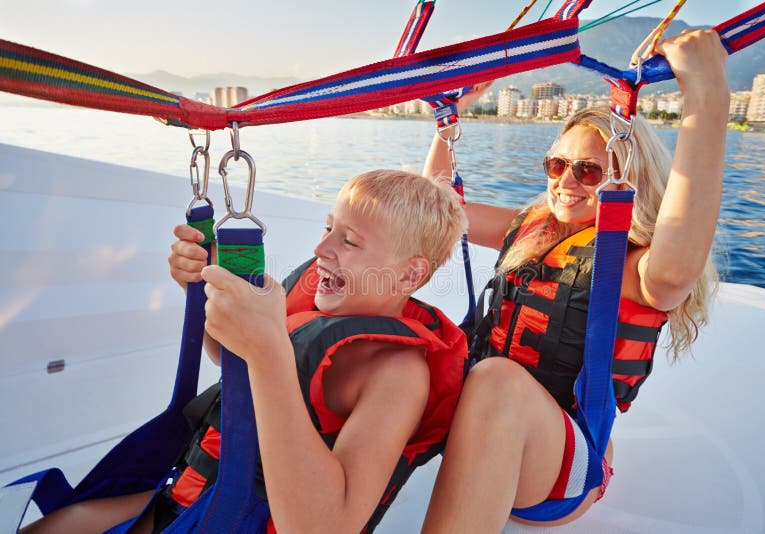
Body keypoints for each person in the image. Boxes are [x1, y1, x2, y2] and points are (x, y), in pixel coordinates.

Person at [21, 169, 468, 534]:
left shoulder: (397, 373)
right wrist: (202, 287)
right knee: (62, 522)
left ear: (410, 276)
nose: (321, 249)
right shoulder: (312, 296)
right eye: (328, 228)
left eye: (349, 241)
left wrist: (269, 350)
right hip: (194, 492)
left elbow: (325, 527)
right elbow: (232, 362)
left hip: (245, 515)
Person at [420, 30, 728, 532]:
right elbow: (440, 209)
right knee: (405, 336)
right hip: (485, 442)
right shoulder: (532, 227)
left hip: (558, 474)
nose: (565, 180)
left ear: (626, 180)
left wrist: (706, 92)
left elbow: (677, 263)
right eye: (557, 165)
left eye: (587, 170)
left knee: (496, 380)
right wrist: (447, 119)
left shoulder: (634, 268)